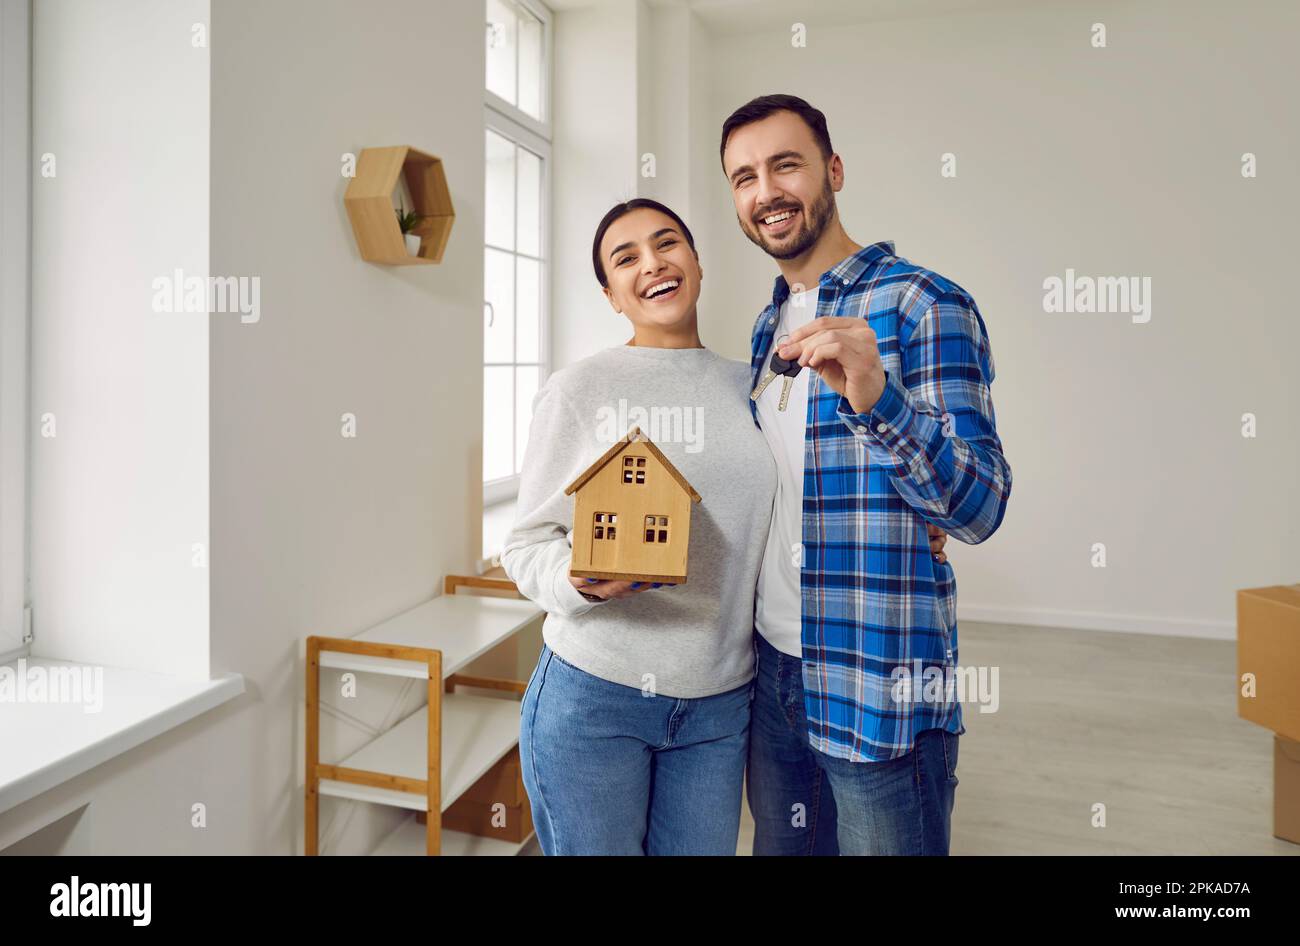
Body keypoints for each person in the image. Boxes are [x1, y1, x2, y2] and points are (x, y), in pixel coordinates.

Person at [721, 94, 1013, 855]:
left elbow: (979, 507)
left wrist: (881, 401)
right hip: (774, 675)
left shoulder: (924, 304)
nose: (766, 192)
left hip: (881, 679)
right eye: (744, 177)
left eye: (786, 164)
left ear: (834, 171)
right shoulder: (767, 325)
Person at [501, 198, 776, 855]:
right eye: (626, 259)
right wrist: (582, 583)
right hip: (595, 696)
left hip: (720, 702)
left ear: (697, 263)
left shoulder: (756, 390)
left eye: (667, 243)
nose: (653, 264)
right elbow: (524, 543)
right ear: (611, 294)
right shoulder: (580, 390)